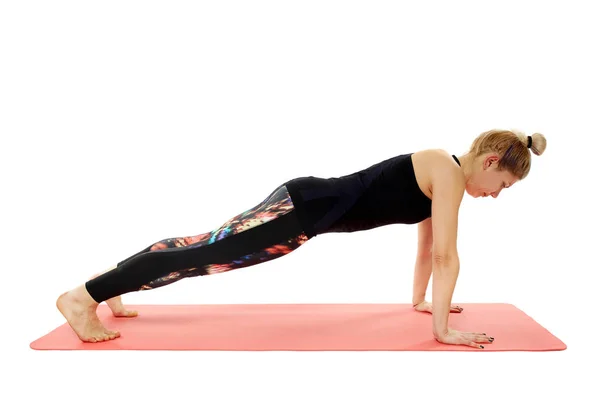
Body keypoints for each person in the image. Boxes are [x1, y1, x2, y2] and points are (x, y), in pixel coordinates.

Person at [56, 128, 547, 348]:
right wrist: (443, 331)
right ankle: (83, 298)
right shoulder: (447, 172)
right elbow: (446, 255)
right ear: (489, 163)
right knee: (205, 255)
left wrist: (421, 303)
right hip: (301, 211)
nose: (496, 196)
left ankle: (111, 283)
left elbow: (427, 248)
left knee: (200, 246)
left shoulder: (444, 173)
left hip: (304, 209)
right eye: (502, 186)